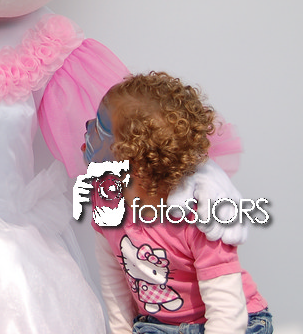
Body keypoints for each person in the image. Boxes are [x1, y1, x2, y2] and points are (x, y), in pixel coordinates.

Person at [87, 72, 272, 334]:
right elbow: (112, 275)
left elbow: (227, 312)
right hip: (158, 325)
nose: (88, 131)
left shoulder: (199, 216)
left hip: (235, 322)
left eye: (100, 130)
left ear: (133, 161)